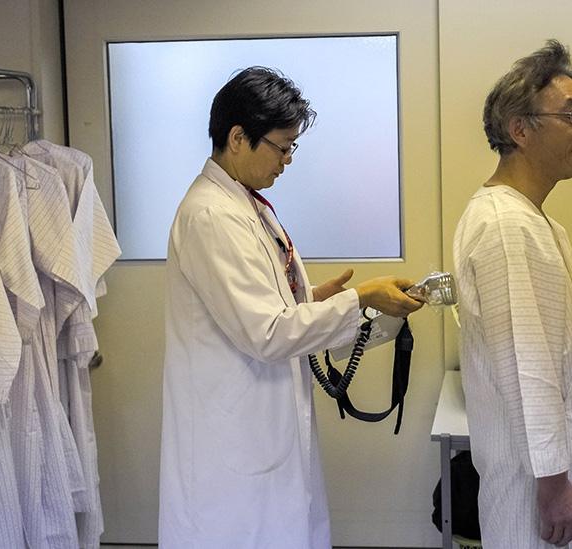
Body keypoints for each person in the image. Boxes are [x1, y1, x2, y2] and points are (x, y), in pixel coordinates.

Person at [158, 67, 424, 548]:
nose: (287, 161)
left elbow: (264, 310)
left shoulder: (247, 207)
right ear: (238, 137)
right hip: (233, 446)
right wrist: (360, 299)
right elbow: (267, 334)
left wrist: (316, 301)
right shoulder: (211, 216)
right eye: (282, 147)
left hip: (264, 425)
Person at [452, 40, 572, 548]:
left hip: (558, 473)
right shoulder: (505, 226)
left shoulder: (534, 222)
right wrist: (552, 484)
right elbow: (528, 367)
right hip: (539, 491)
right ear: (519, 130)